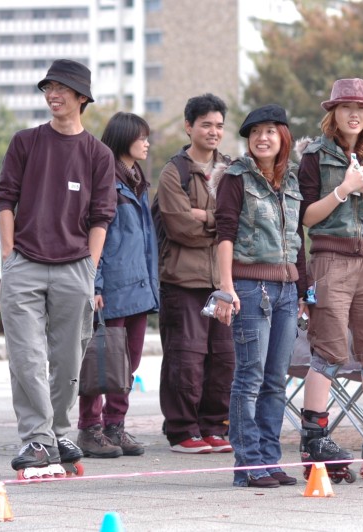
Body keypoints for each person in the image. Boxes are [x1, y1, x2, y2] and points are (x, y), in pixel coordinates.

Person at [0, 59, 117, 477]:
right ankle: (36, 439)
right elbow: (5, 198)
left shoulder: (98, 154)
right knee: (26, 357)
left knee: (68, 361)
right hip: (24, 264)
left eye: (62, 88)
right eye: (48, 87)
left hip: (75, 267)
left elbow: (102, 216)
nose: (53, 94)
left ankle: (60, 433)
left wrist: (90, 267)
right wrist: (9, 254)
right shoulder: (25, 142)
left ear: (82, 97)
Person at [296, 78, 363, 472]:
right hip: (330, 259)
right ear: (333, 113)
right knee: (328, 350)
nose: (354, 114)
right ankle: (315, 440)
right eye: (346, 107)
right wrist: (343, 189)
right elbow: (306, 217)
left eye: (361, 108)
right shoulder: (314, 156)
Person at [214, 104, 307, 488]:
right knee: (249, 378)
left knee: (275, 380)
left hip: (287, 290)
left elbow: (298, 240)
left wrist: (303, 290)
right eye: (255, 132)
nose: (262, 138)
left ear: (283, 136)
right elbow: (224, 235)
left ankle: (269, 460)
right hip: (251, 288)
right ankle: (247, 463)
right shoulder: (235, 178)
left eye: (269, 131)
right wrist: (226, 288)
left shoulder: (293, 180)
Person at [156, 94, 235, 454]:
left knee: (223, 358)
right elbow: (180, 227)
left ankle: (214, 426)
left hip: (223, 281)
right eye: (206, 124)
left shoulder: (232, 169)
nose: (213, 131)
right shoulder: (175, 172)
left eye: (219, 125)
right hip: (182, 280)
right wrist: (220, 223)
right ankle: (182, 430)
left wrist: (205, 216)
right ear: (189, 127)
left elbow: (240, 220)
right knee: (185, 357)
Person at [76, 112, 158, 458]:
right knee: (100, 360)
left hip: (138, 287)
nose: (147, 144)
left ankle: (115, 426)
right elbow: (94, 233)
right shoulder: (105, 179)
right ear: (124, 138)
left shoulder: (138, 181)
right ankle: (89, 429)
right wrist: (95, 285)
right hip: (111, 288)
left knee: (129, 363)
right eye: (142, 137)